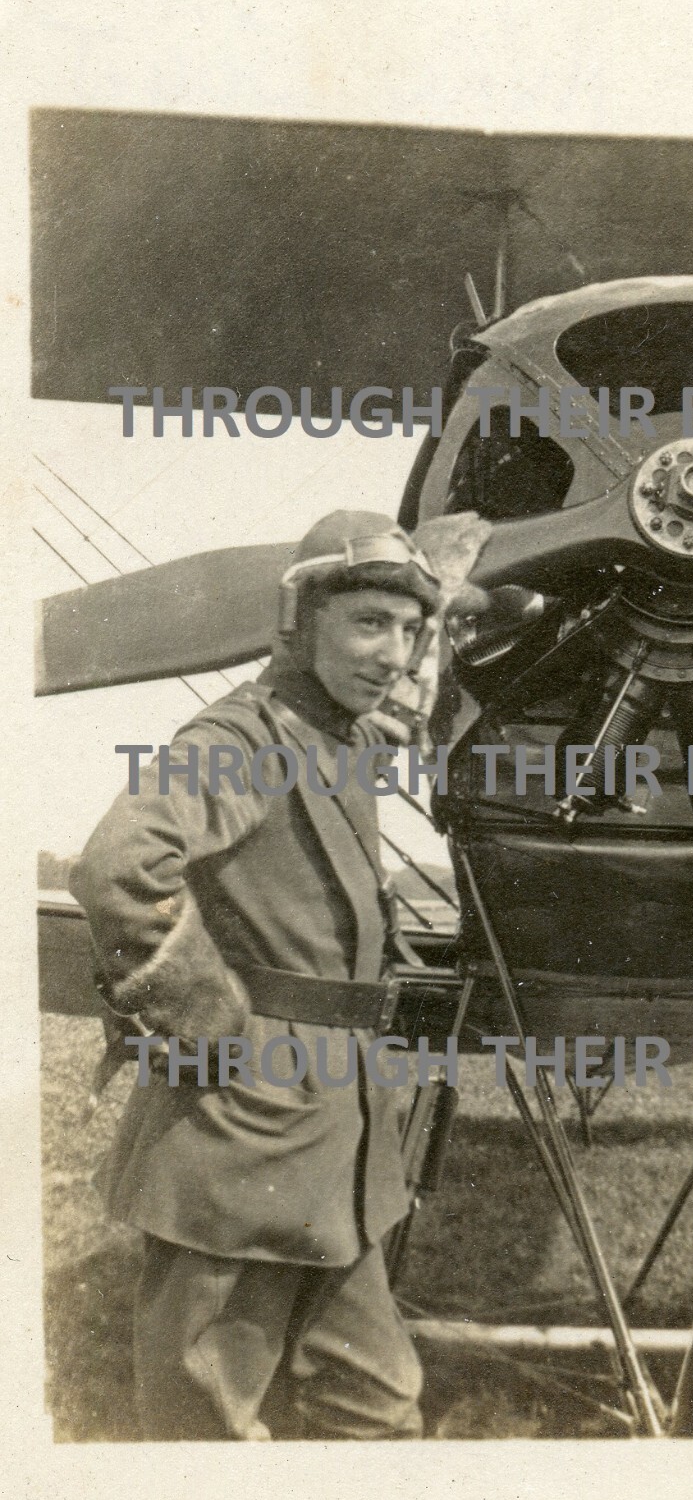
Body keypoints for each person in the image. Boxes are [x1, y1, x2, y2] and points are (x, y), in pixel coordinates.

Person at [71, 508, 489, 1442]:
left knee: (375, 1408)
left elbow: (409, 700)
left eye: (407, 630)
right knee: (207, 1420)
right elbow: (115, 870)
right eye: (367, 623)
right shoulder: (239, 741)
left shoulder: (338, 731)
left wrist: (446, 595)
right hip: (241, 1122)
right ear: (300, 623)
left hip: (337, 1133)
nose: (392, 654)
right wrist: (203, 1018)